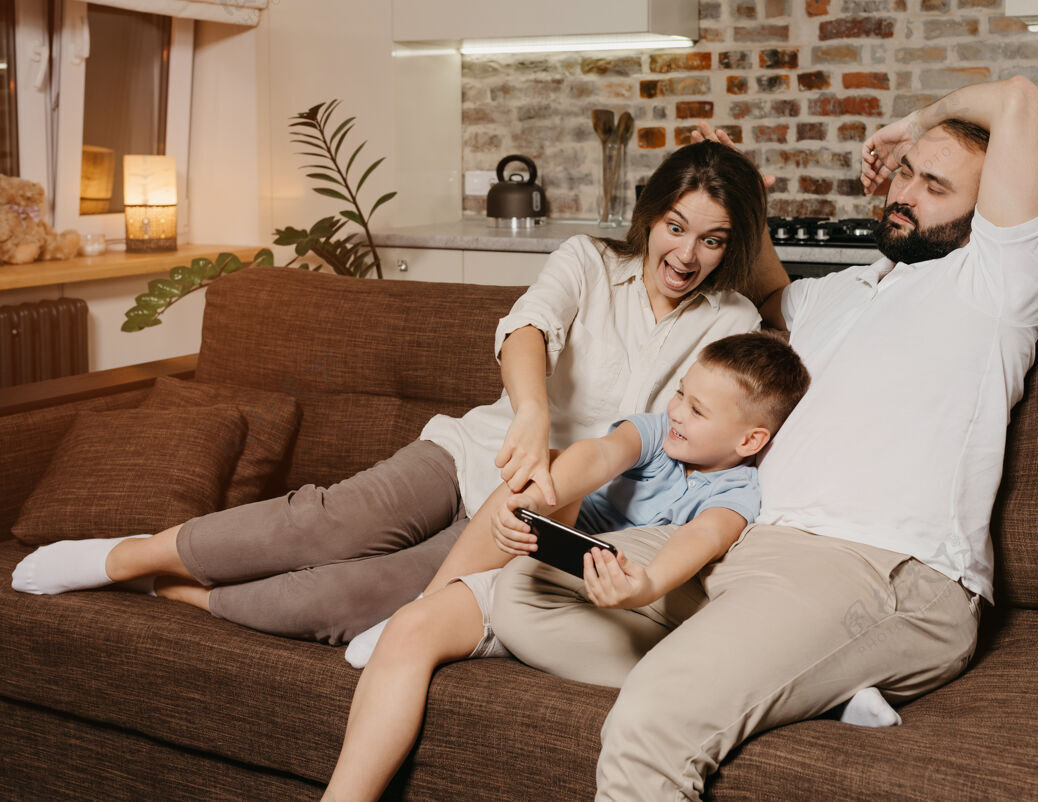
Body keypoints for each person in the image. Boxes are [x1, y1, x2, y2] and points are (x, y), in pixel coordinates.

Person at [491, 75, 1038, 800]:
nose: (906, 192)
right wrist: (742, 193)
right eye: (906, 172)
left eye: (936, 186)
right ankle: (796, 687)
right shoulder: (841, 293)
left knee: (657, 716)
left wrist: (913, 120)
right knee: (529, 587)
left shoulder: (995, 288)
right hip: (750, 543)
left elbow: (1018, 102)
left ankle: (735, 684)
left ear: (986, 220)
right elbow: (763, 289)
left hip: (877, 567)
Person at [10, 140, 772, 648]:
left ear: (732, 244)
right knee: (323, 524)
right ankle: (121, 555)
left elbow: (719, 407)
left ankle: (176, 594)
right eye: (677, 227)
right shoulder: (584, 258)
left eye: (712, 239)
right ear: (652, 216)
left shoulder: (730, 317)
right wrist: (533, 415)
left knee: (356, 599)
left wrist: (562, 476)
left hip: (545, 505)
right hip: (482, 447)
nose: (686, 254)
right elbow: (527, 330)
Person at [321, 331, 809, 802]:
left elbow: (705, 536)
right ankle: (434, 599)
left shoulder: (738, 492)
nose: (677, 410)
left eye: (697, 410)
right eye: (681, 392)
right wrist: (531, 502)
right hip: (551, 563)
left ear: (750, 440)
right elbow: (598, 455)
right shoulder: (658, 433)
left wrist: (646, 584)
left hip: (613, 607)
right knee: (414, 623)